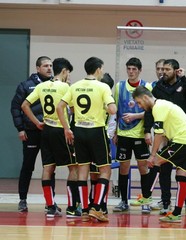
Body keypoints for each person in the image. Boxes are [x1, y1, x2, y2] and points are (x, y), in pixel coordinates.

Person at [57, 57, 117, 222]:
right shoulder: (103, 86)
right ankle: (97, 208)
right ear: (98, 69)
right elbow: (112, 110)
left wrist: (67, 128)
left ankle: (84, 210)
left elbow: (59, 107)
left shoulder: (75, 86)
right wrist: (105, 105)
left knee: (82, 171)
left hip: (79, 131)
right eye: (102, 69)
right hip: (96, 131)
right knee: (105, 170)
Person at [132, 85, 186, 223]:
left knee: (155, 162)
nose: (139, 106)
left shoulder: (158, 107)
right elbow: (163, 134)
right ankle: (176, 214)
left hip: (183, 141)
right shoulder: (164, 105)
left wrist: (152, 155)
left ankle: (146, 196)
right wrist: (160, 151)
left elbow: (157, 134)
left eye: (139, 102)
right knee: (182, 176)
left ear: (145, 97)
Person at [21, 57, 78, 218]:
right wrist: (68, 128)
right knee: (73, 167)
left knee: (48, 168)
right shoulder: (66, 87)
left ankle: (50, 206)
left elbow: (24, 105)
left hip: (46, 130)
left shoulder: (42, 86)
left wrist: (37, 123)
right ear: (65, 71)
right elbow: (73, 110)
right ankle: (72, 207)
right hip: (61, 130)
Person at [144, 59, 186, 215]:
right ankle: (166, 202)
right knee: (164, 169)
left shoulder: (183, 84)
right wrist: (147, 130)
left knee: (183, 172)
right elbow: (149, 111)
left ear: (176, 70)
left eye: (167, 69)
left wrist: (184, 79)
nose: (163, 72)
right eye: (162, 69)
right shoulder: (158, 88)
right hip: (165, 134)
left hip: (182, 135)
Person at [10, 56, 59, 212]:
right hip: (31, 132)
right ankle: (22, 200)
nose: (49, 68)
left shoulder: (56, 85)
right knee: (27, 166)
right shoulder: (26, 85)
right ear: (38, 68)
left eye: (51, 65)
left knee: (50, 168)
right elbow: (16, 108)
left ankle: (50, 202)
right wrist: (20, 128)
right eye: (45, 66)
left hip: (49, 132)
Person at [112, 57, 152, 213]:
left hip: (140, 135)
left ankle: (146, 200)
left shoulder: (147, 86)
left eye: (134, 69)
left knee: (143, 168)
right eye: (129, 68)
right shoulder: (119, 86)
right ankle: (123, 201)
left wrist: (138, 119)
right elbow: (115, 111)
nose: (131, 72)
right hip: (123, 133)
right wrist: (115, 131)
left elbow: (151, 110)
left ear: (139, 70)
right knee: (123, 167)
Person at [89, 73, 116, 215]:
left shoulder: (106, 100)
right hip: (101, 138)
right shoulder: (105, 100)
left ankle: (98, 203)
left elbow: (112, 124)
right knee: (101, 173)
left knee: (97, 173)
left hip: (97, 136)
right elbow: (112, 125)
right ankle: (97, 203)